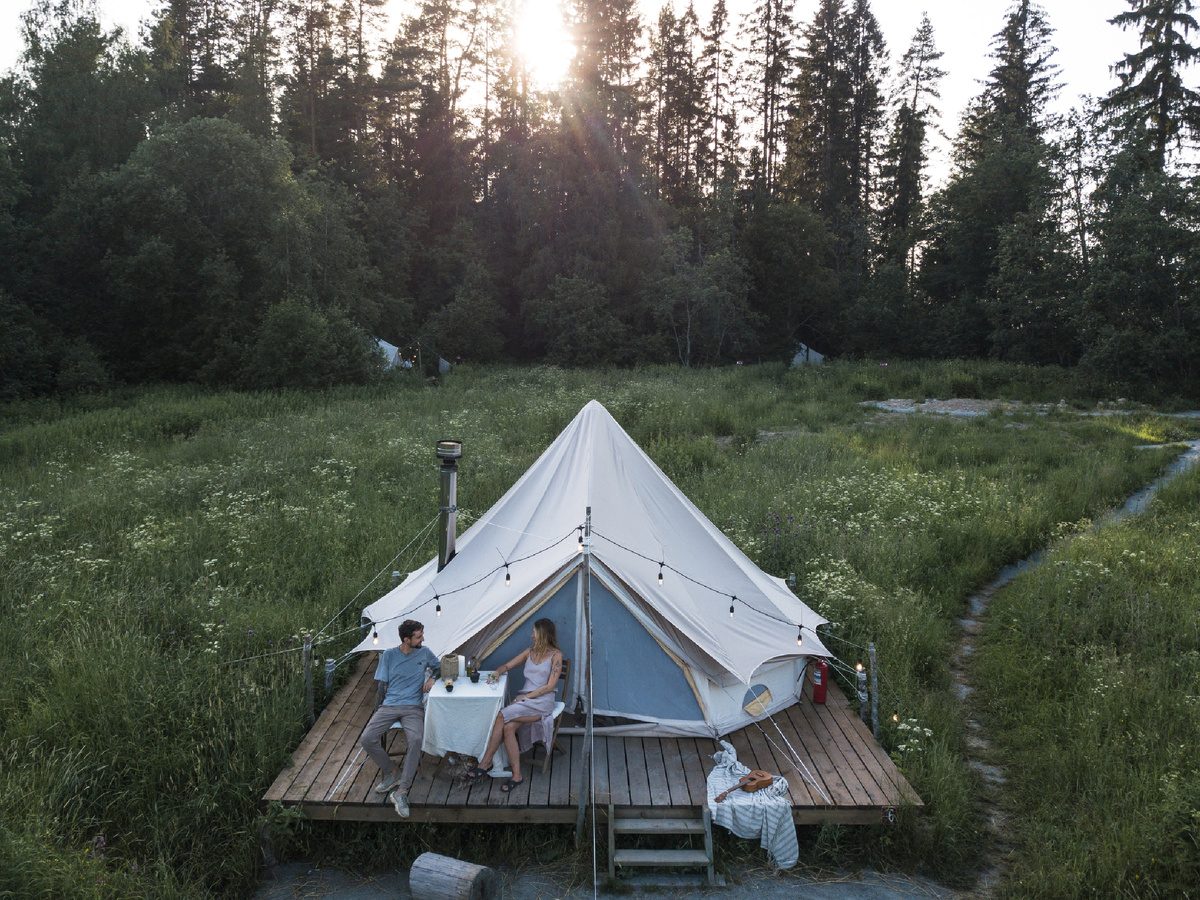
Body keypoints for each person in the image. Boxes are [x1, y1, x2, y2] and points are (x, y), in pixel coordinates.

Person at [466, 618, 563, 793]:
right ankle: (516, 775)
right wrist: (496, 673)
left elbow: (549, 686)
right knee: (509, 728)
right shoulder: (529, 652)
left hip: (541, 702)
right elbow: (507, 665)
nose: (532, 636)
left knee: (501, 715)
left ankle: (486, 762)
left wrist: (525, 698)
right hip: (525, 700)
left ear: (544, 635)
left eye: (535, 633)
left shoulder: (556, 655)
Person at [359, 619, 440, 818]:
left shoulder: (424, 652)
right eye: (419, 636)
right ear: (406, 639)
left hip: (413, 707)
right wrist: (379, 711)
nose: (423, 639)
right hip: (390, 705)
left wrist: (432, 678)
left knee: (415, 739)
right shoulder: (389, 655)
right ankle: (392, 772)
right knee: (367, 739)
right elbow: (381, 686)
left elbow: (439, 667)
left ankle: (402, 791)